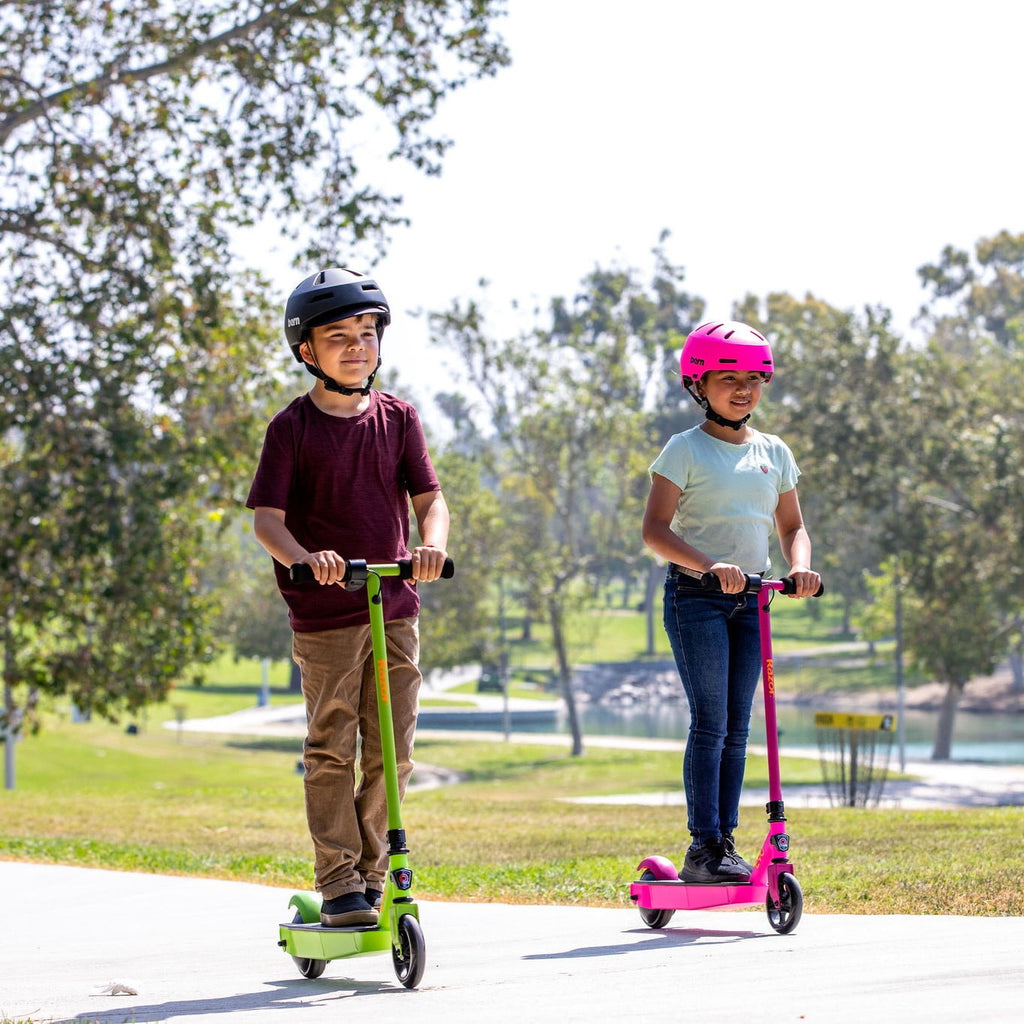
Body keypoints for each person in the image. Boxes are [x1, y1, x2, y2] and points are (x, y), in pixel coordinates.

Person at [246, 268, 450, 926]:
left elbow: (430, 500)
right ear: (307, 350)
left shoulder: (399, 418)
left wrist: (432, 545)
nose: (357, 346)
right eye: (339, 336)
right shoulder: (292, 428)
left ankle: (372, 874)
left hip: (394, 606)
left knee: (394, 750)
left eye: (367, 333)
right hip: (326, 616)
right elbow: (267, 522)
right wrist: (307, 560)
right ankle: (337, 880)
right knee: (332, 747)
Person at [641, 320, 820, 883]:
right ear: (698, 384)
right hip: (697, 597)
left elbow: (791, 526)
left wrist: (800, 566)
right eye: (728, 378)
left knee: (739, 727)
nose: (743, 389)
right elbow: (654, 530)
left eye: (753, 379)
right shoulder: (684, 449)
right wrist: (708, 565)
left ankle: (726, 845)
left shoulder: (774, 451)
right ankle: (704, 847)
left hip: (754, 600)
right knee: (712, 722)